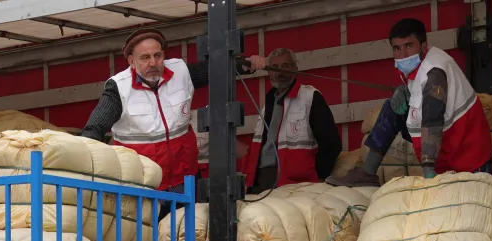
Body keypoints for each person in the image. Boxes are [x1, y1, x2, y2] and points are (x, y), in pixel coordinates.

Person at [80, 28, 266, 192]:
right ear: (131, 61)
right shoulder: (118, 88)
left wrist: (245, 64)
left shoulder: (181, 71)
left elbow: (216, 70)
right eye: (145, 57)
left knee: (188, 231)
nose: (153, 63)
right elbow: (93, 129)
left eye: (158, 55)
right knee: (148, 232)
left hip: (185, 181)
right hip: (141, 186)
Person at [326, 18, 492, 187]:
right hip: (447, 147)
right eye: (397, 48)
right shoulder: (420, 64)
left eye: (408, 46)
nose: (403, 55)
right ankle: (367, 173)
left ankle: (429, 170)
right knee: (392, 107)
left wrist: (428, 168)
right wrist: (405, 90)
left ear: (423, 45)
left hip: (469, 158)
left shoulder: (434, 72)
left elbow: (432, 119)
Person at [242, 47, 342, 192]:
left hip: (296, 184)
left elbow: (331, 143)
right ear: (269, 72)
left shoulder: (310, 97)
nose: (280, 71)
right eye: (275, 67)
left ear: (295, 69)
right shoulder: (268, 103)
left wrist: (319, 176)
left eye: (285, 66)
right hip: (261, 180)